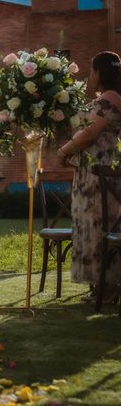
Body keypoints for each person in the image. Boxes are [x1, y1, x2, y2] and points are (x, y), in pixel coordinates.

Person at [58, 51, 121, 302]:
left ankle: (107, 288)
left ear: (100, 72)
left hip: (100, 175)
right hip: (102, 170)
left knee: (99, 225)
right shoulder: (114, 97)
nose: (90, 75)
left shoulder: (109, 99)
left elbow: (88, 134)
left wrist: (63, 152)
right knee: (102, 225)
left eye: (92, 70)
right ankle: (102, 285)